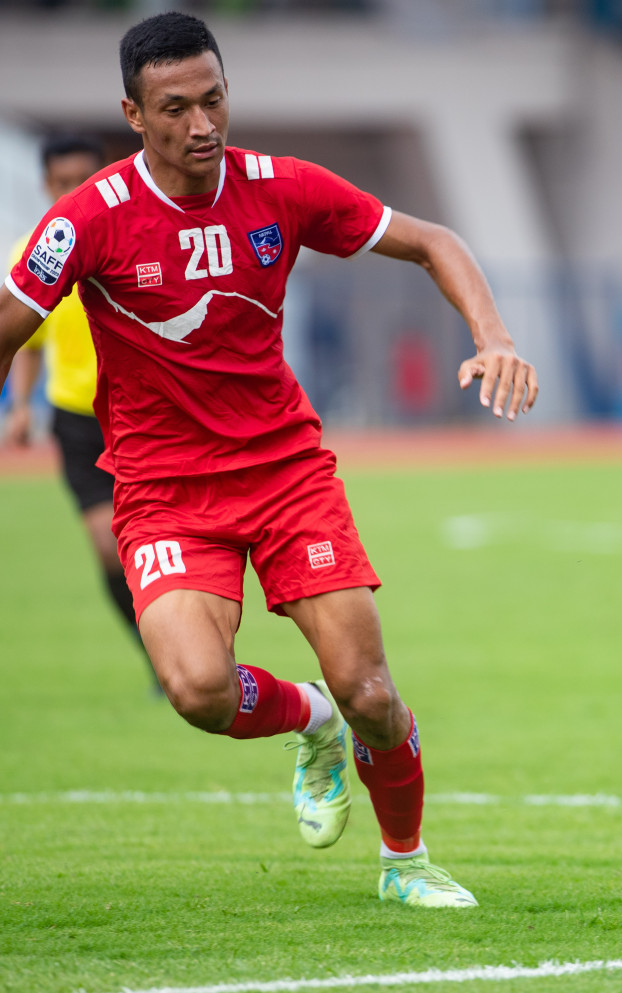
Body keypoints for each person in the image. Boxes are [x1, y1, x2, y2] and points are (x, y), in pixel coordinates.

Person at [0, 13, 537, 907]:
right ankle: (309, 722)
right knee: (197, 688)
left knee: (371, 689)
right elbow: (9, 325)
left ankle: (406, 864)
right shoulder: (88, 218)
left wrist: (495, 336)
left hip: (285, 474)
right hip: (165, 489)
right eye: (177, 108)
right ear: (133, 113)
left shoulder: (283, 187)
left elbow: (435, 241)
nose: (203, 124)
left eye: (214, 99)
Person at [4, 135, 159, 693]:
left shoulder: (135, 238)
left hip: (144, 414)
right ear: (46, 186)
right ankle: (157, 654)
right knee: (108, 549)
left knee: (159, 543)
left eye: (83, 180)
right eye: (62, 183)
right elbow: (25, 340)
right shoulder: (36, 254)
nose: (73, 192)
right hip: (76, 419)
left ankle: (185, 645)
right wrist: (21, 408)